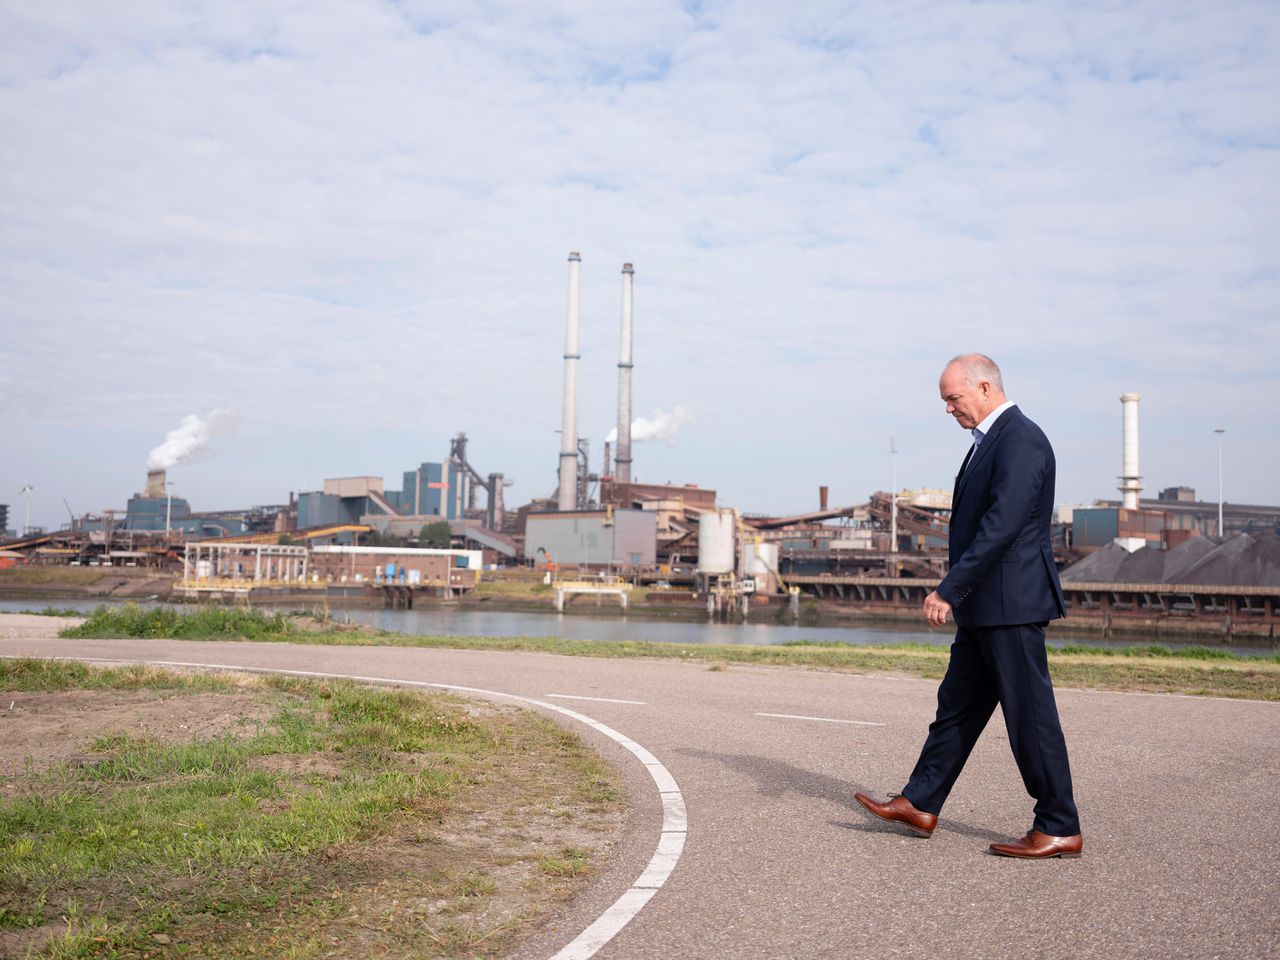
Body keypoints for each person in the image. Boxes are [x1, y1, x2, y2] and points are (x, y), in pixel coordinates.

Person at [855, 353, 1082, 859]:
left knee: (1030, 717)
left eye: (953, 398)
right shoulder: (986, 443)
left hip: (1012, 604)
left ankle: (1059, 824)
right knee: (955, 709)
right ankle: (920, 801)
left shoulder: (1019, 438)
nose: (949, 409)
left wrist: (948, 588)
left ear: (984, 387)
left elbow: (1000, 527)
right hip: (988, 606)